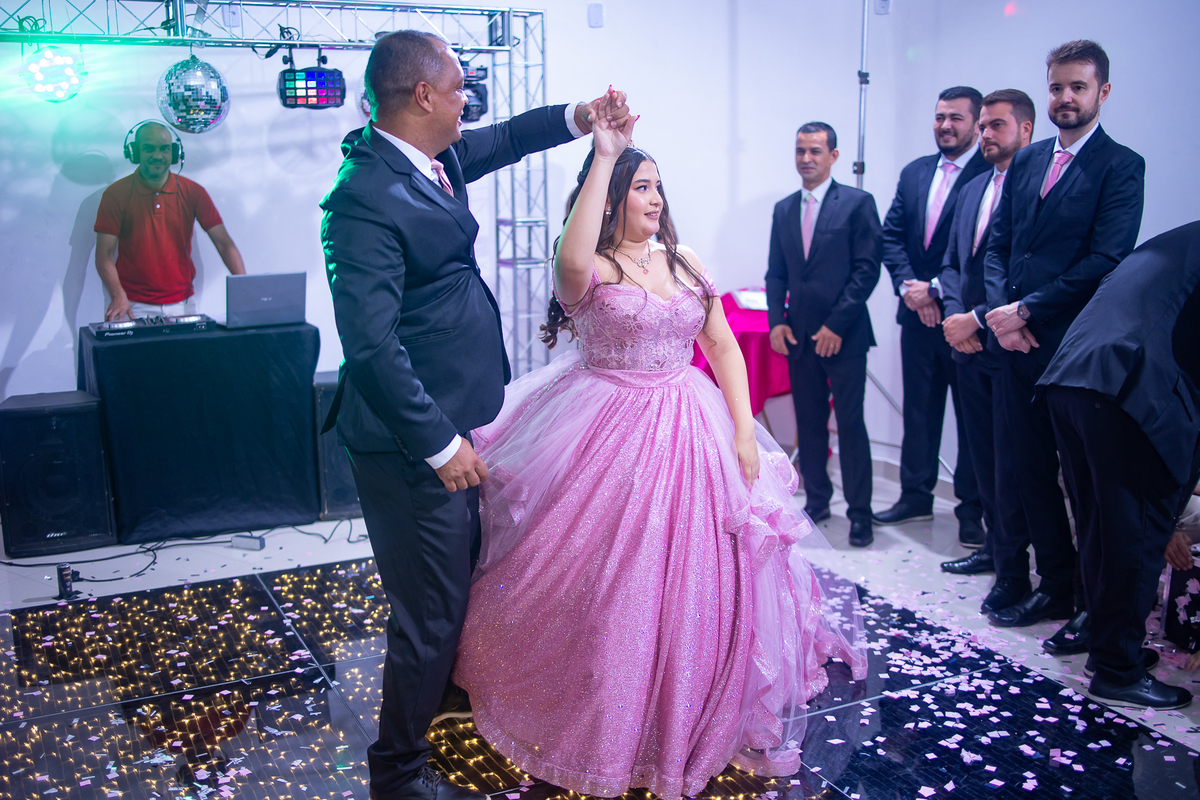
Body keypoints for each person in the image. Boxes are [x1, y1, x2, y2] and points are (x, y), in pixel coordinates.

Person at [452, 113, 868, 800]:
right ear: (610, 198)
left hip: (691, 423)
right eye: (640, 187)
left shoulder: (685, 261)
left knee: (704, 572)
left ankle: (694, 694)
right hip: (605, 427)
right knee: (611, 575)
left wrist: (743, 431)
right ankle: (610, 702)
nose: (655, 198)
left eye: (657, 186)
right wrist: (604, 155)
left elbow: (723, 346)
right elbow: (572, 259)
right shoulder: (589, 267)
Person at [319, 30, 627, 800]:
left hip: (462, 418)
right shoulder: (363, 197)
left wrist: (582, 116)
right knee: (428, 610)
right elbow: (370, 344)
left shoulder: (434, 159)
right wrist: (437, 444)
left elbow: (511, 138)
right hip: (409, 440)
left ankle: (447, 695)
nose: (469, 102)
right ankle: (398, 772)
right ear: (423, 94)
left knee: (463, 580)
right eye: (460, 88)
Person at [982, 40, 1145, 630]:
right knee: (1028, 474)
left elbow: (1107, 258)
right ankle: (1052, 587)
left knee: (1083, 484)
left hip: (1072, 350)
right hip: (1014, 346)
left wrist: (1027, 310)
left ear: (1103, 92)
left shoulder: (1121, 165)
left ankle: (1090, 604)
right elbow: (999, 245)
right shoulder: (1026, 161)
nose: (1065, 98)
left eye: (1078, 87)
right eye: (1057, 87)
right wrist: (1002, 315)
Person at [1038, 220, 1200, 709]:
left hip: (1072, 378)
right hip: (1128, 388)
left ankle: (1104, 643)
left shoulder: (1180, 238)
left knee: (1100, 529)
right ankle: (1118, 669)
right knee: (1137, 537)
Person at [877, 87, 990, 546]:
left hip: (964, 319)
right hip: (915, 316)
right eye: (940, 116)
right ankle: (915, 495)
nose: (946, 125)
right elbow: (891, 236)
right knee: (919, 412)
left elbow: (982, 250)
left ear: (977, 123)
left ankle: (971, 509)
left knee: (970, 419)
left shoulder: (990, 174)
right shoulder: (915, 172)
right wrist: (911, 289)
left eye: (956, 118)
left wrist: (938, 291)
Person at [766, 121, 882, 547]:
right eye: (800, 150)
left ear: (833, 156)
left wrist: (836, 325)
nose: (806, 158)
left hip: (845, 335)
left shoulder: (857, 203)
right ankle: (816, 501)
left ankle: (860, 513)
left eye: (815, 151)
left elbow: (867, 270)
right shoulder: (784, 209)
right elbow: (777, 272)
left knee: (850, 425)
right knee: (810, 423)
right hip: (798, 335)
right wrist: (776, 320)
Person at [938, 90, 1035, 577]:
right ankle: (994, 550)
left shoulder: (1034, 188)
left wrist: (975, 319)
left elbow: (1022, 272)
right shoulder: (974, 186)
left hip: (1010, 343)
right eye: (984, 127)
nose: (986, 135)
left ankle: (1014, 564)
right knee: (980, 457)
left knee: (1011, 461)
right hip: (967, 345)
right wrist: (956, 319)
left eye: (997, 125)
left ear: (1026, 130)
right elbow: (952, 263)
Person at [94, 121, 245, 320]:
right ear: (135, 152)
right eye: (149, 148)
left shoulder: (194, 192)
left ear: (174, 153)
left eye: (164, 149)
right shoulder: (115, 195)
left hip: (183, 304)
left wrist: (245, 291)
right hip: (131, 304)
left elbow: (224, 243)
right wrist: (117, 295)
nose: (158, 155)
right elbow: (104, 254)